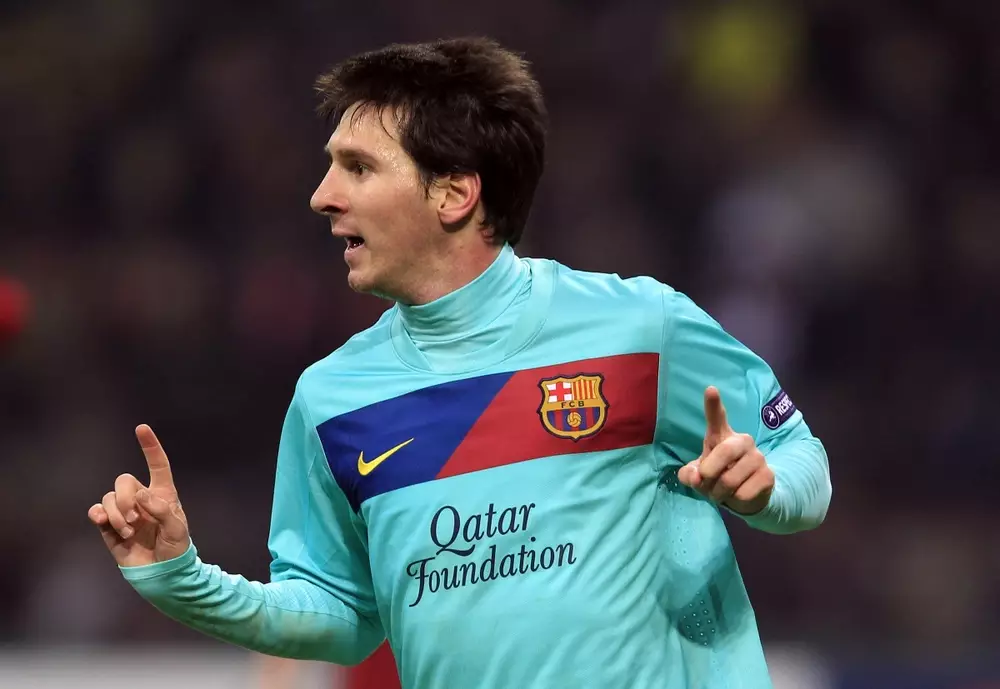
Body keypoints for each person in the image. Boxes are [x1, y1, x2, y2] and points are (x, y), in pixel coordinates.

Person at [87, 37, 831, 689]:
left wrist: (766, 490)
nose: (322, 197)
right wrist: (182, 578)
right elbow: (342, 615)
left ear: (453, 193)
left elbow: (800, 459)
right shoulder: (332, 398)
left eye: (357, 167)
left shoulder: (638, 326)